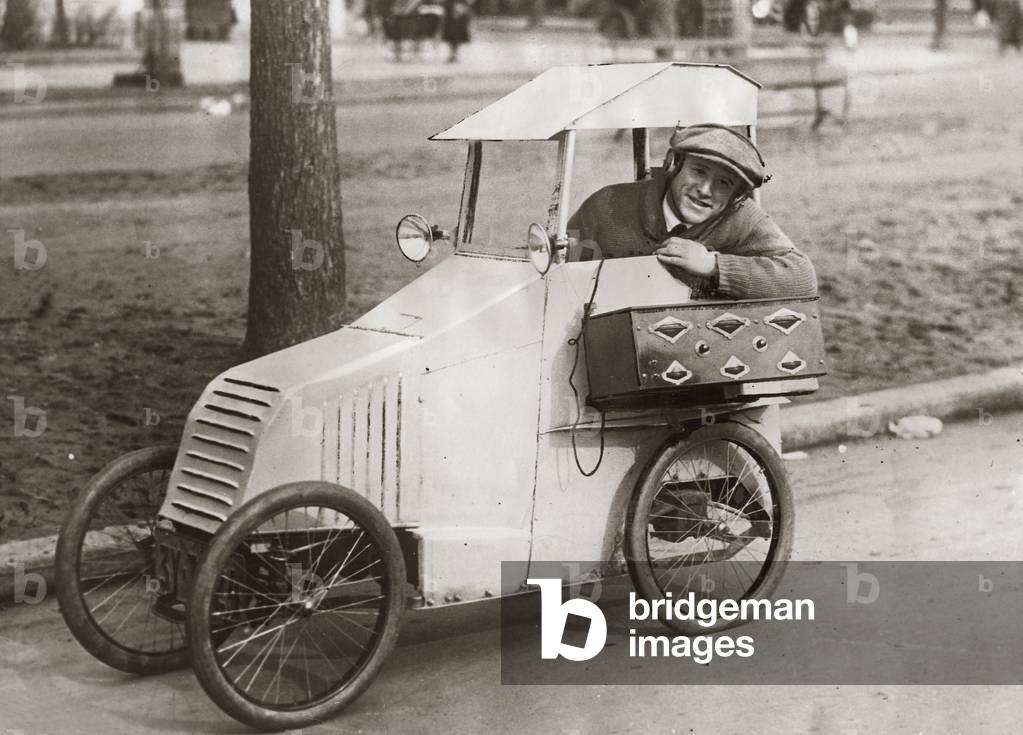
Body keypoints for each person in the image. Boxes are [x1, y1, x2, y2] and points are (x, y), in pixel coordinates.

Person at [567, 124, 818, 301]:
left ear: (737, 196)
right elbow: (562, 276)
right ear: (674, 164)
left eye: (724, 183)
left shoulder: (743, 219)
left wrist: (713, 265)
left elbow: (802, 279)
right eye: (699, 171)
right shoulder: (606, 206)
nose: (705, 190)